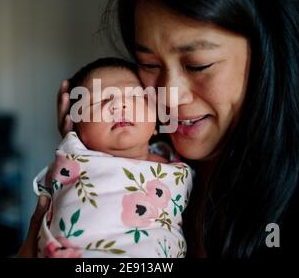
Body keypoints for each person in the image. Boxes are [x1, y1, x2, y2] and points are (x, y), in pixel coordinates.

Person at [19, 0, 299, 257]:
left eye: (198, 65)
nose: (169, 96)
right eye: (148, 63)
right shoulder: (156, 174)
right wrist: (83, 154)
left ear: (268, 62)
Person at [33, 57, 194, 257]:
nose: (118, 106)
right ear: (77, 129)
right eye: (99, 101)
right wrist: (70, 139)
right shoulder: (75, 156)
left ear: (157, 121)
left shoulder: (176, 161)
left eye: (135, 96)